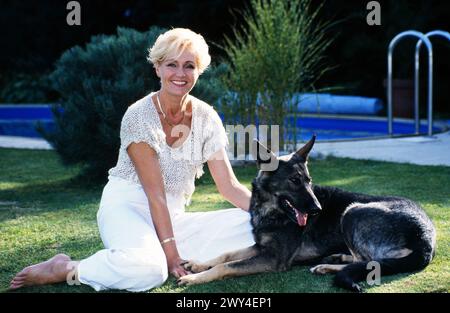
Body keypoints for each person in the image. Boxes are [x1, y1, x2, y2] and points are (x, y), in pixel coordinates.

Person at [9, 28, 255, 292]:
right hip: (128, 206)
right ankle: (67, 268)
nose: (180, 74)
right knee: (151, 271)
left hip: (173, 216)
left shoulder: (207, 117)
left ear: (199, 70)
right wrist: (172, 257)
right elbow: (155, 195)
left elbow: (229, 186)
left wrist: (278, 211)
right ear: (158, 68)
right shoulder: (138, 116)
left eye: (189, 66)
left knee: (256, 224)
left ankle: (156, 249)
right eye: (172, 64)